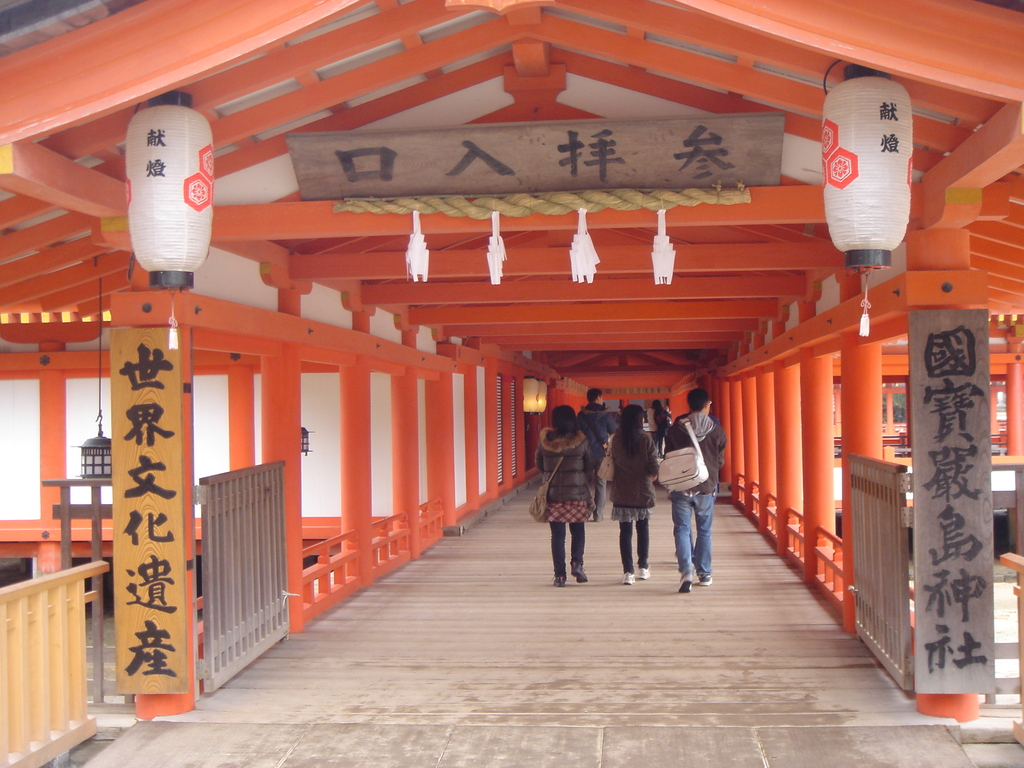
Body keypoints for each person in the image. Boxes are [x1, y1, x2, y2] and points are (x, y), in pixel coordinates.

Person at [664, 387, 727, 593]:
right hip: (706, 487)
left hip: (681, 486)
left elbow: (668, 456)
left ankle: (686, 571)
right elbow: (719, 461)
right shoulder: (717, 431)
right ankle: (705, 573)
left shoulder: (676, 429)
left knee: (682, 529)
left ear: (689, 405)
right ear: (707, 404)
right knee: (704, 531)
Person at [536, 404, 596, 587]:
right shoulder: (582, 441)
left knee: (557, 536)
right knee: (578, 531)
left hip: (554, 495)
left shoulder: (545, 441)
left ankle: (560, 575)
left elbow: (539, 464)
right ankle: (577, 564)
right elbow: (589, 466)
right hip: (577, 494)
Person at [609, 404, 660, 585]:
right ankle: (643, 567)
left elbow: (613, 460)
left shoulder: (616, 439)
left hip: (622, 489)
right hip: (642, 489)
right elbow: (653, 465)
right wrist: (652, 476)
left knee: (625, 531)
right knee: (643, 528)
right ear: (640, 419)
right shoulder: (645, 439)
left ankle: (628, 572)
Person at [577, 388, 618, 521]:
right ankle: (598, 515)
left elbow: (576, 433)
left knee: (585, 482)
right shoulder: (605, 415)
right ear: (599, 398)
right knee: (601, 483)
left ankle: (588, 509)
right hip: (602, 452)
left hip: (585, 453)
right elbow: (614, 431)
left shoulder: (581, 415)